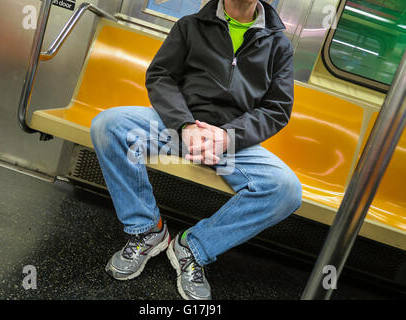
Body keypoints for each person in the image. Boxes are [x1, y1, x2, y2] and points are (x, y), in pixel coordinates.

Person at [90, 0, 302, 300]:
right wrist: (186, 126)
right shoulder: (190, 26)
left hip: (231, 143)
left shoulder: (279, 44)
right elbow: (161, 77)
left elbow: (277, 109)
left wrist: (228, 136)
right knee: (108, 126)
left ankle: (194, 246)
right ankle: (147, 229)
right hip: (177, 128)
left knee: (286, 190)